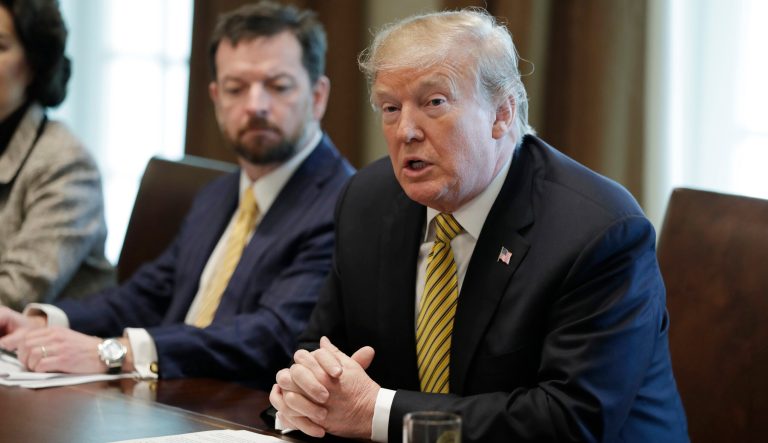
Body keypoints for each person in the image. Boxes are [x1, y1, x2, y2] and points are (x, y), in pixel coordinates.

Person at [270, 8, 689, 443]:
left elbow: (568, 421)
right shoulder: (367, 201)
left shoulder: (598, 232)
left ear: (502, 114)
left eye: (434, 102)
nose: (406, 131)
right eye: (390, 108)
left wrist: (375, 413)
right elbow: (320, 349)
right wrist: (307, 391)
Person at [0, 1, 353, 389]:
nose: (256, 106)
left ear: (318, 96)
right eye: (236, 89)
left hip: (243, 412)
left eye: (278, 86)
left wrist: (116, 351)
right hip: (168, 398)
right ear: (216, 98)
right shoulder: (218, 194)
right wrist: (43, 321)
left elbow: (271, 334)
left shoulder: (344, 203)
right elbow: (145, 296)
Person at [0, 0, 113, 310]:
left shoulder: (66, 163)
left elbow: (13, 295)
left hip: (47, 351)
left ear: (35, 63)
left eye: (0, 46)